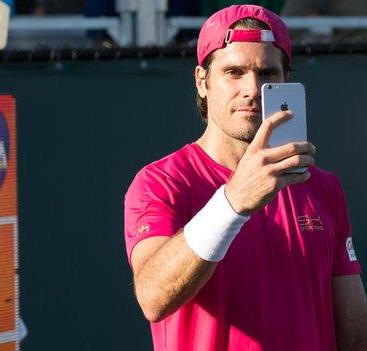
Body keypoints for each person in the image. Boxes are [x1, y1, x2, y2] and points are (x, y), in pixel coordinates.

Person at [123, 4, 367, 350]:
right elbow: (153, 297)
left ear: (285, 82)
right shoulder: (161, 182)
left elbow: (355, 333)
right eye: (234, 72)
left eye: (267, 73)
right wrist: (233, 202)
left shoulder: (323, 187)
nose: (252, 89)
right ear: (202, 81)